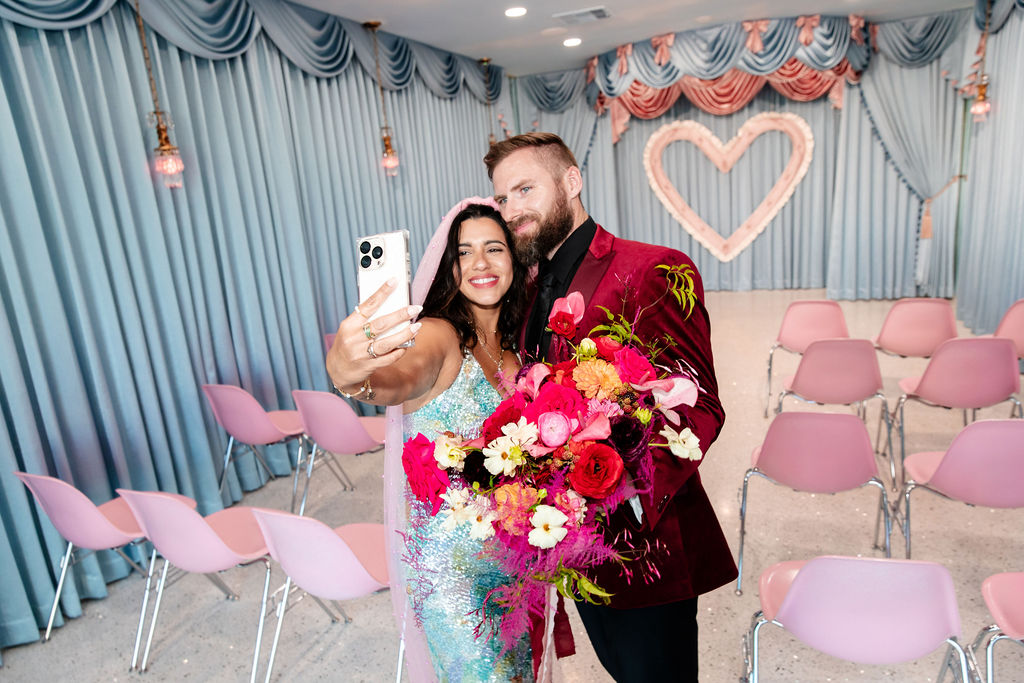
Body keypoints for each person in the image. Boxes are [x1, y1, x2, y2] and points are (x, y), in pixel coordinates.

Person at [484, 133, 737, 682]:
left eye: (525, 188)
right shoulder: (526, 292)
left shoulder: (653, 269)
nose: (512, 210)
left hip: (641, 546)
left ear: (571, 182)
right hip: (572, 547)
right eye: (502, 199)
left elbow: (699, 407)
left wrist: (603, 501)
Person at [325, 199, 533, 681]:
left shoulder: (517, 353)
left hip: (512, 572)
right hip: (449, 579)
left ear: (515, 260)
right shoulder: (438, 336)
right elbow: (391, 381)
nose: (479, 263)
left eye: (494, 248)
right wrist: (348, 371)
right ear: (449, 267)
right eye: (464, 252)